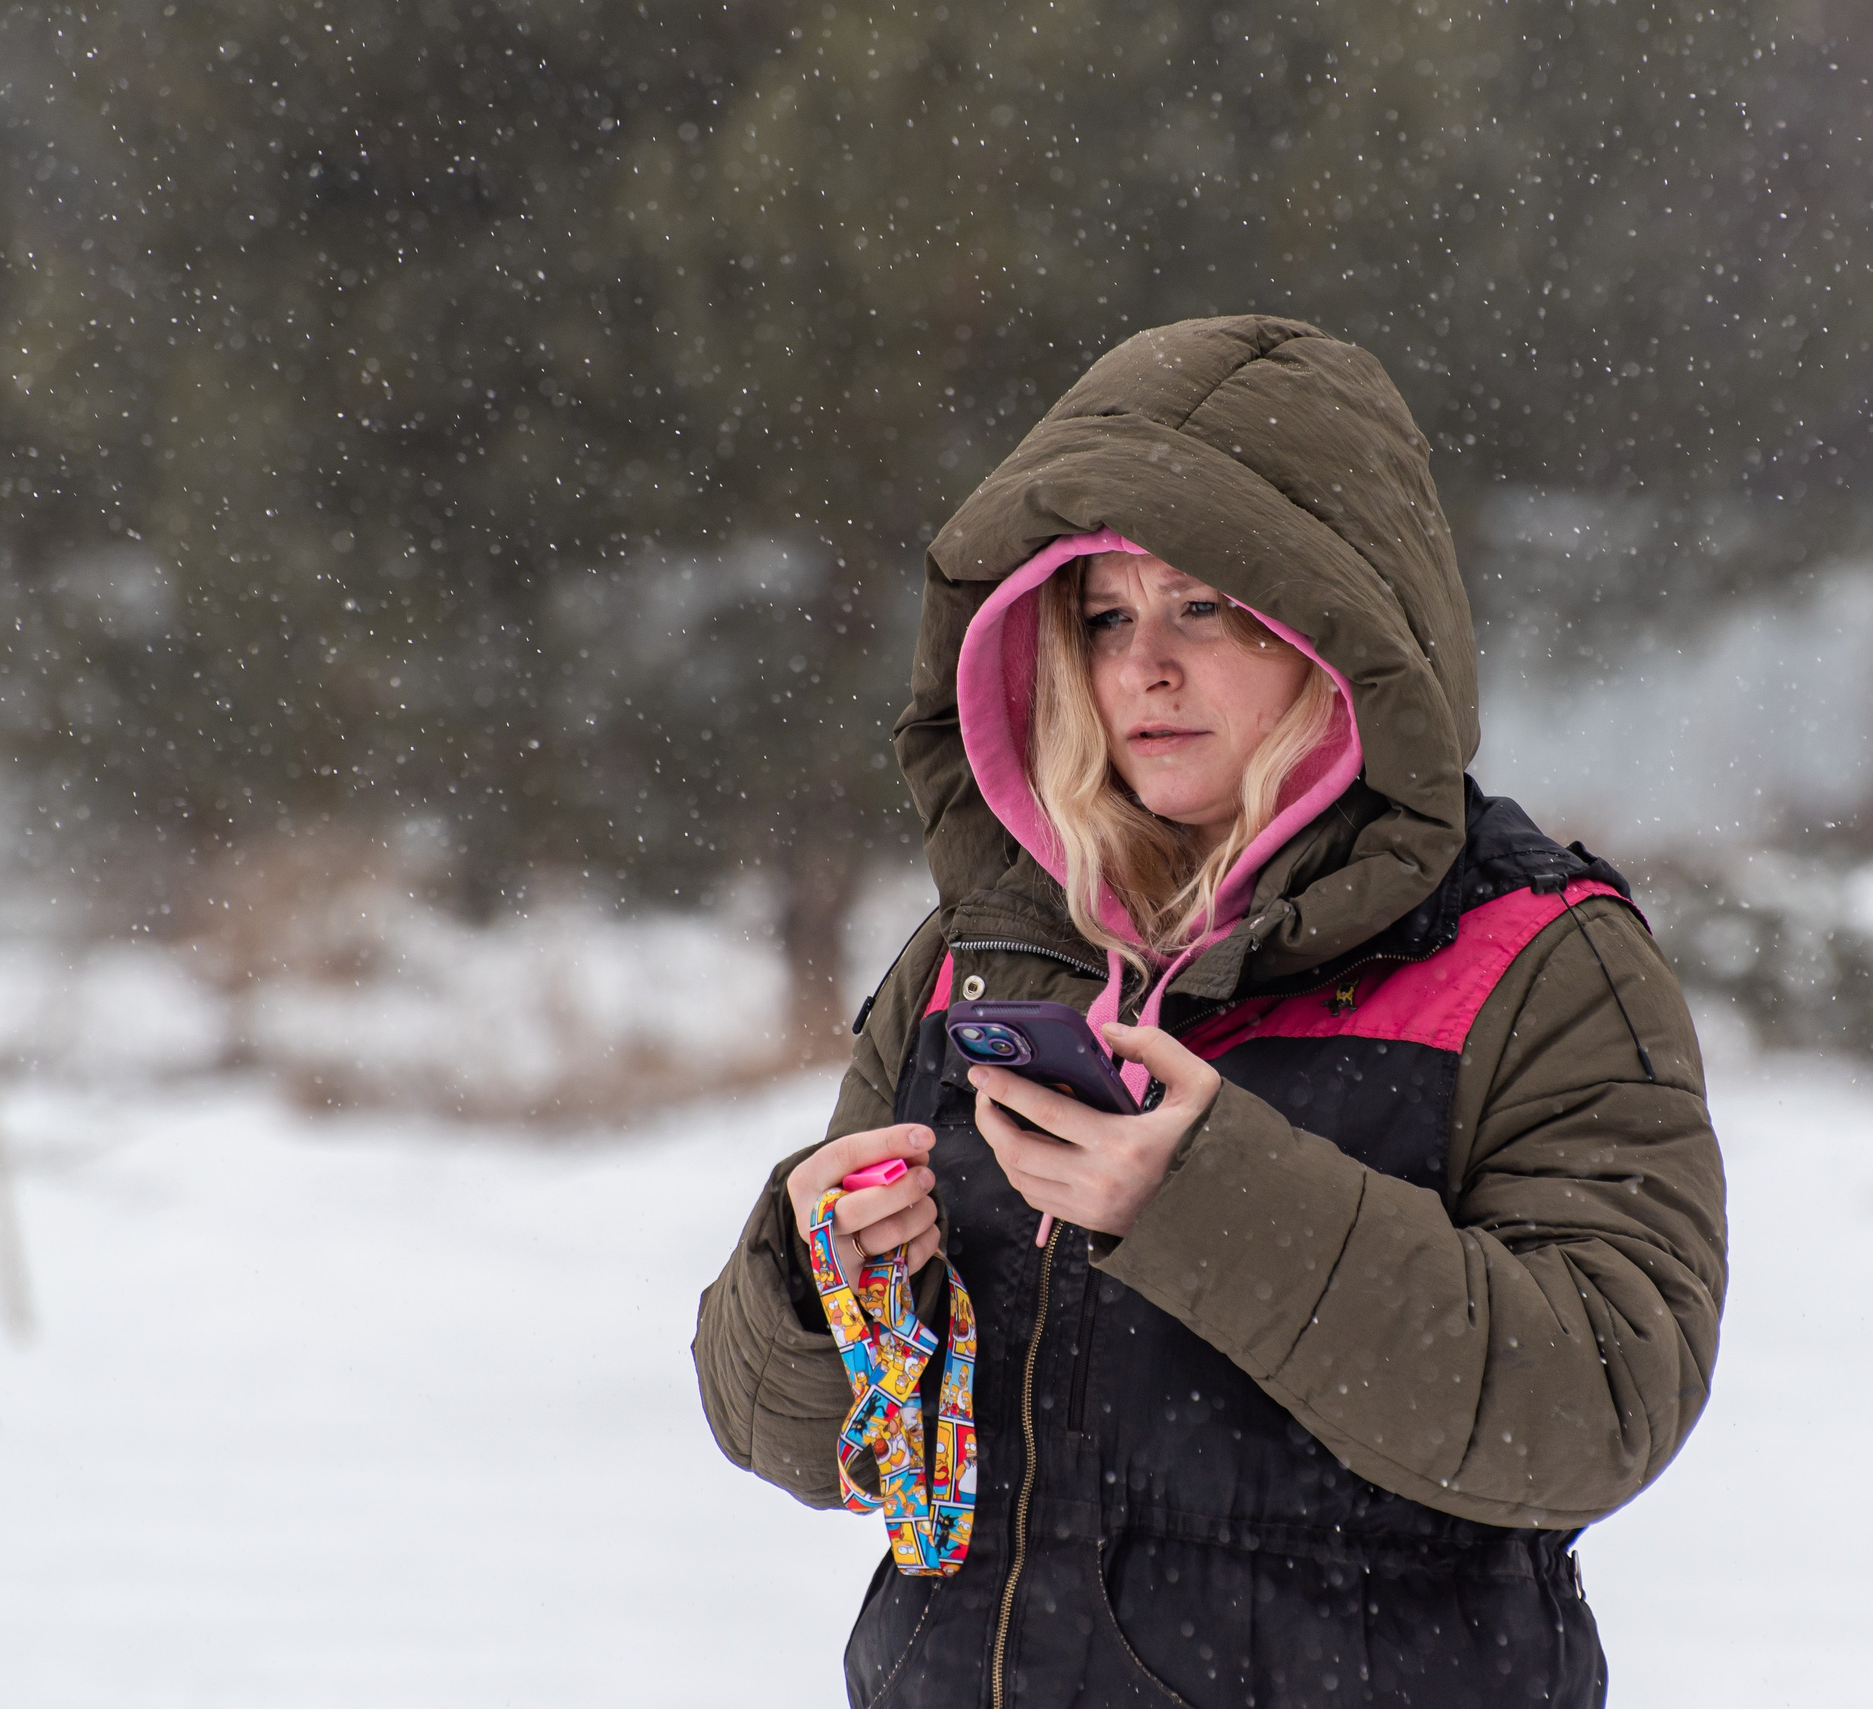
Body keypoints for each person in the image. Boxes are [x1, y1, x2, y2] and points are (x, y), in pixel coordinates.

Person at [695, 315, 1727, 1708]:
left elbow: (1602, 1406)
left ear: (1341, 635)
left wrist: (1206, 1203)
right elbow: (802, 1440)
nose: (1144, 668)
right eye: (1105, 617)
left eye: (1205, 607)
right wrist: (818, 1283)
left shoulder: (1533, 958)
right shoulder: (985, 950)